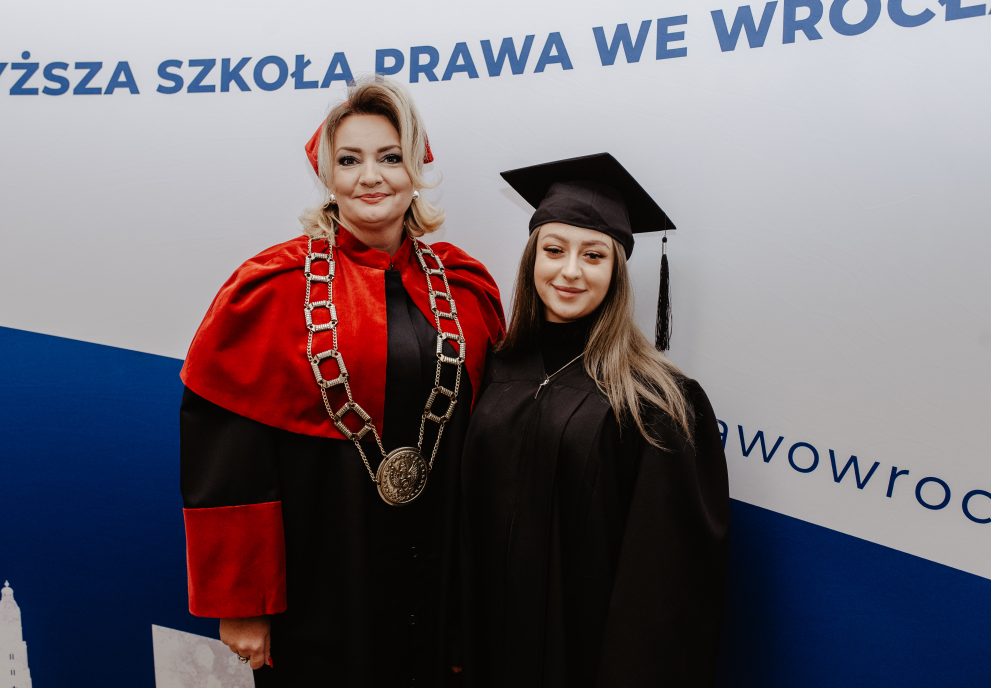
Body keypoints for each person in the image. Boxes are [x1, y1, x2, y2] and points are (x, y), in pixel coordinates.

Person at [179, 76, 505, 687]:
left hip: (436, 576)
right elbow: (229, 460)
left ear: (416, 169)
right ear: (327, 174)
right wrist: (243, 601)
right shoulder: (270, 289)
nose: (370, 177)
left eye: (390, 157)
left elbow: (487, 447)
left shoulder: (466, 287)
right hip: (322, 573)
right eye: (349, 160)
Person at [461, 153, 729, 687]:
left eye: (594, 255)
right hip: (484, 650)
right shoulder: (493, 367)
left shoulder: (658, 401)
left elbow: (664, 580)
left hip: (581, 659)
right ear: (531, 259)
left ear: (617, 271)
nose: (570, 271)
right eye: (554, 250)